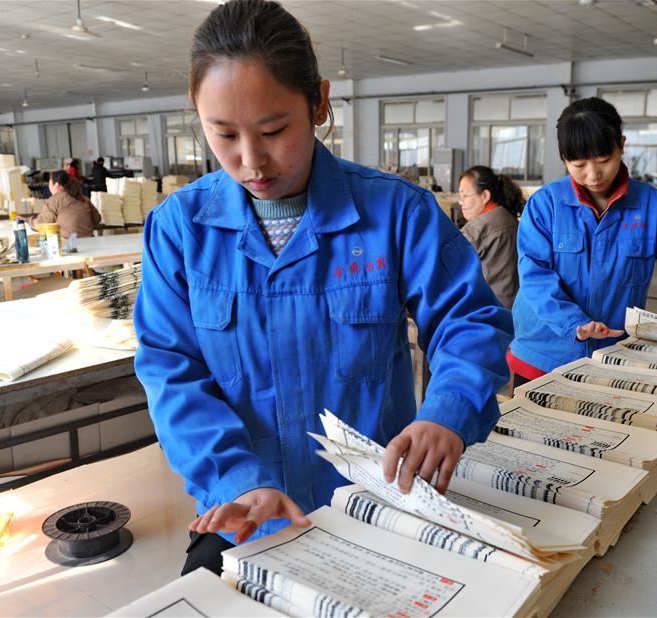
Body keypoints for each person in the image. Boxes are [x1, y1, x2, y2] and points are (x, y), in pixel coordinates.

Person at [133, 0, 512, 576]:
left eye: (273, 131)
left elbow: (469, 320)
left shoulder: (395, 213)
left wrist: (447, 413)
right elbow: (171, 371)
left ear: (319, 103)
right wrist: (236, 480)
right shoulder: (180, 230)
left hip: (375, 504)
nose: (251, 161)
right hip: (248, 515)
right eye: (223, 134)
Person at [508, 97, 657, 387]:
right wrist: (573, 323)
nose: (593, 175)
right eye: (579, 164)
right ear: (564, 158)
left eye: (604, 160)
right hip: (543, 353)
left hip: (613, 354)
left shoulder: (653, 206)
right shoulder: (545, 206)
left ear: (621, 145)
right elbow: (535, 276)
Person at [458, 166, 523, 309]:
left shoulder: (475, 231)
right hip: (516, 310)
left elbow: (449, 275)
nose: (460, 202)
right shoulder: (513, 221)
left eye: (465, 196)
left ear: (485, 196)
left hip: (485, 312)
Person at [27, 170, 101, 238]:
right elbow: (97, 219)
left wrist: (28, 221)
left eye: (49, 183)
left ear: (56, 185)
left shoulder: (54, 200)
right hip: (89, 241)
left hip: (68, 242)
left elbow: (42, 223)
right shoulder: (84, 198)